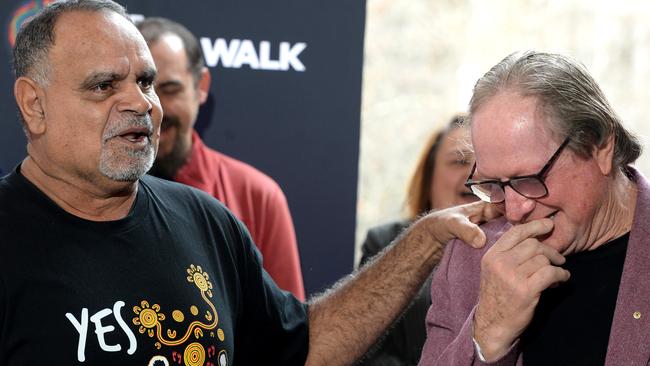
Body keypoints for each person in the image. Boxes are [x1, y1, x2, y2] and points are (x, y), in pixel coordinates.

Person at [1, 1, 499, 364]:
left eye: (147, 81)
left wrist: (424, 241)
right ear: (34, 104)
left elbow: (304, 347)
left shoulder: (204, 220)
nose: (142, 104)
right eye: (104, 85)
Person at [418, 51, 648, 365]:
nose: (513, 210)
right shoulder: (470, 257)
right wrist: (488, 336)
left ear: (600, 146)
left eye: (529, 179)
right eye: (493, 185)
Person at [136, 17, 305, 300]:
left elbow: (289, 334)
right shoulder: (88, 193)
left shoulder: (257, 196)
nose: (156, 109)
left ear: (201, 86)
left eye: (170, 90)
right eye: (144, 89)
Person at [358, 114, 477, 365]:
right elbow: (370, 351)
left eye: (484, 163)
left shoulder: (520, 248)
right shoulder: (385, 243)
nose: (473, 174)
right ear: (429, 175)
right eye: (459, 161)